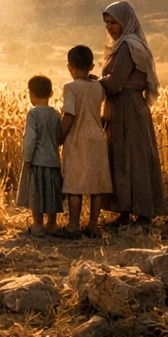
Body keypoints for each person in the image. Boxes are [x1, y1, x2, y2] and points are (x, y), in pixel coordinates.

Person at [100, 1, 164, 228]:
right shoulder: (121, 46)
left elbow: (116, 82)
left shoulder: (128, 46)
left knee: (134, 158)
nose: (109, 27)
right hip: (122, 107)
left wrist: (93, 83)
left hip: (128, 107)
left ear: (125, 22)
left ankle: (143, 214)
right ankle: (125, 212)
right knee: (122, 157)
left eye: (114, 22)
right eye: (106, 22)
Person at [60, 45, 112, 238]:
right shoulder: (99, 86)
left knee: (75, 184)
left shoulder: (70, 88)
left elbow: (69, 114)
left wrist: (60, 136)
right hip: (97, 137)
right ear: (91, 66)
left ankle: (73, 226)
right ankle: (92, 225)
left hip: (77, 138)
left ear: (69, 67)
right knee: (95, 184)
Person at [16, 74, 63, 237]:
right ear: (51, 94)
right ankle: (52, 224)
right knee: (52, 192)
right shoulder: (56, 114)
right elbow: (59, 136)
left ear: (32, 95)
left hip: (37, 161)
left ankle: (37, 226)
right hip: (54, 160)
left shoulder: (33, 114)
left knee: (37, 194)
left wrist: (27, 158)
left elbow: (31, 138)